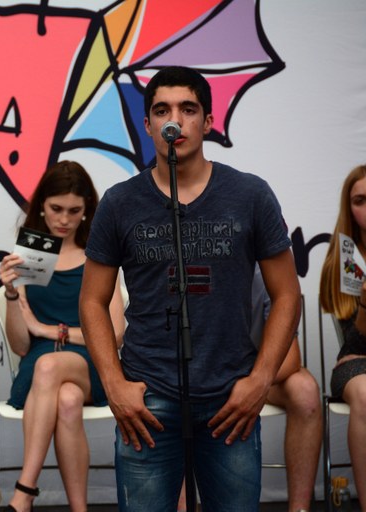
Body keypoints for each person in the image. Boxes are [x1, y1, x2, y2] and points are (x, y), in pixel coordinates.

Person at [78, 66, 300, 511]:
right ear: (147, 125)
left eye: (188, 109)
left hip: (230, 399)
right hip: (147, 399)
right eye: (162, 111)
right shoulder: (120, 202)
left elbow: (288, 294)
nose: (174, 121)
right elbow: (92, 301)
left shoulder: (250, 194)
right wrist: (114, 384)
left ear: (208, 121)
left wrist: (260, 380)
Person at [0, 161, 126, 512]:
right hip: (39, 364)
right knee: (67, 400)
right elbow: (21, 345)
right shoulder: (29, 254)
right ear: (41, 204)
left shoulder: (99, 255)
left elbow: (114, 336)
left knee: (49, 366)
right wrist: (11, 293)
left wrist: (47, 330)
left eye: (74, 211)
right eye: (56, 208)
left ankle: (24, 491)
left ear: (87, 211)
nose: (64, 219)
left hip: (91, 361)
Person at [177, 265, 322, 512]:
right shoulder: (189, 267)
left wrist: (252, 383)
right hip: (195, 378)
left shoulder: (263, 273)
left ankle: (300, 509)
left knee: (305, 390)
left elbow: (291, 360)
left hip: (257, 374)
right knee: (172, 396)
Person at [319, 163, 366, 501]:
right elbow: (354, 341)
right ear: (348, 208)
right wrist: (365, 302)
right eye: (360, 200)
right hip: (355, 364)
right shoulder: (345, 260)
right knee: (365, 393)